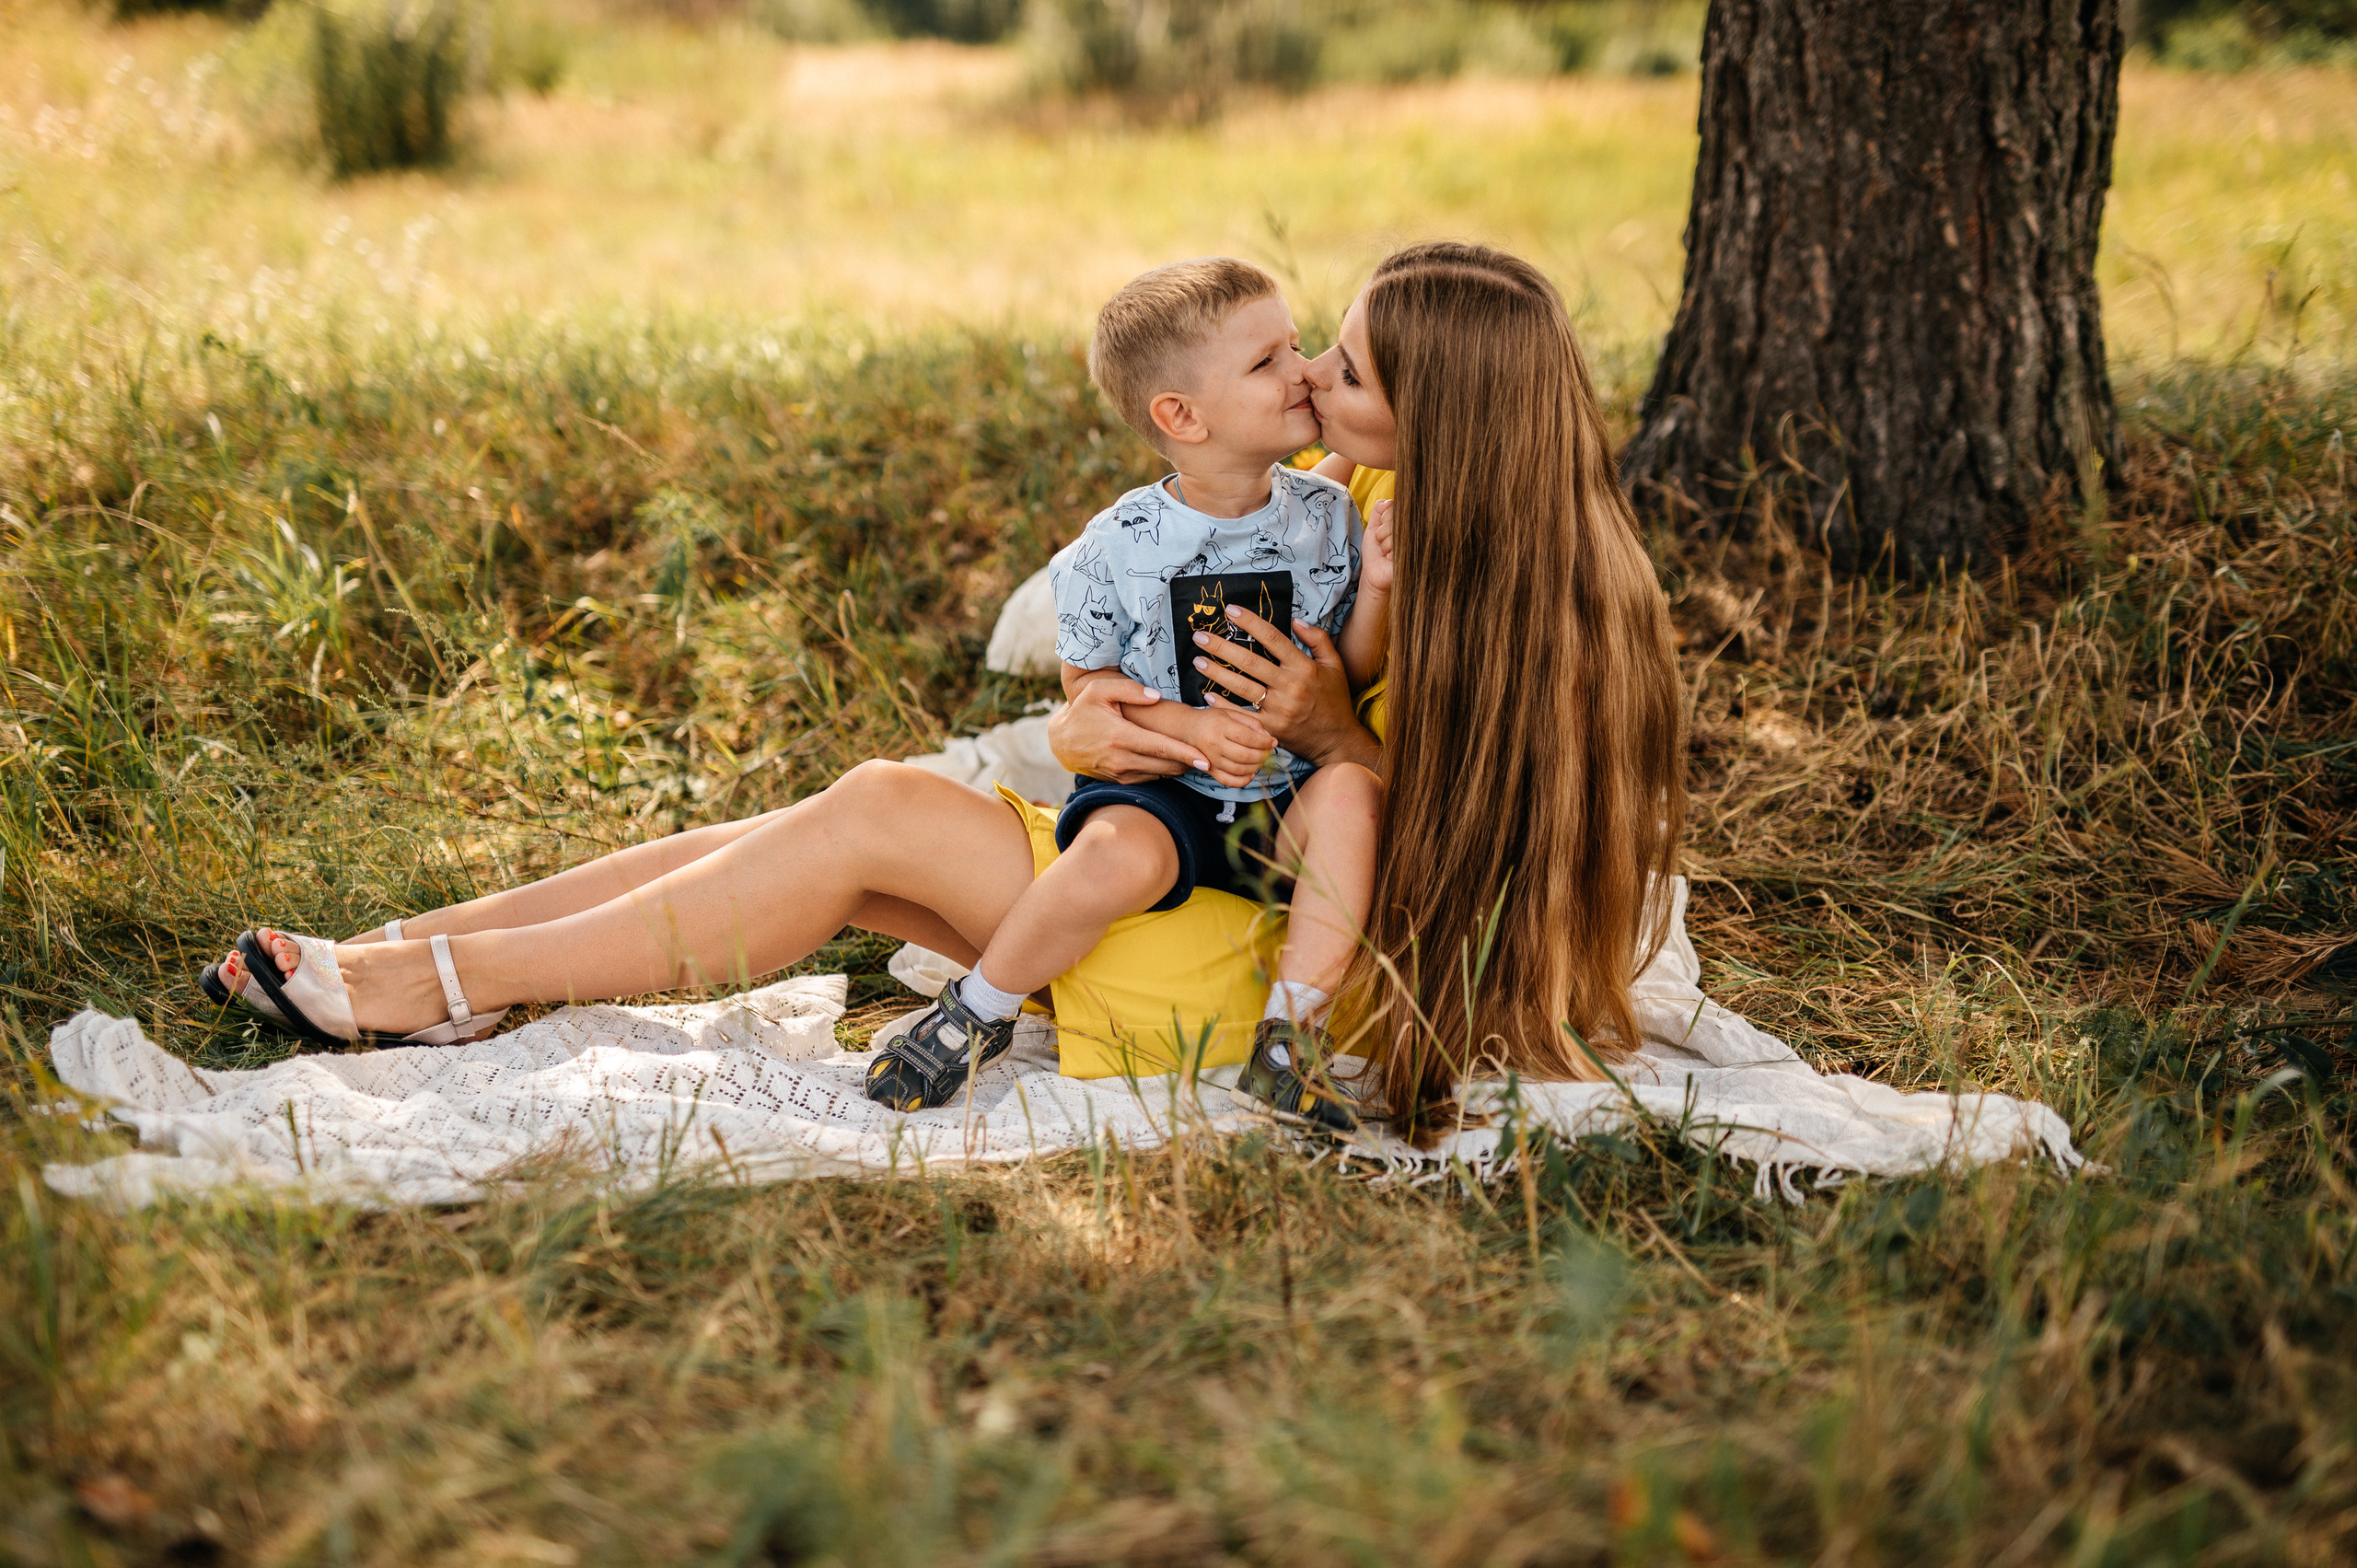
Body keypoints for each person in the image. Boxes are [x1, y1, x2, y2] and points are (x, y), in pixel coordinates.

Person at [208, 240, 1682, 1144]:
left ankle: (431, 987)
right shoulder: (1373, 493)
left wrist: (1322, 727)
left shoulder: (1546, 610)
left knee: (870, 824)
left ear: (1445, 416)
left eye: (1344, 371)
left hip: (1291, 958)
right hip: (1194, 857)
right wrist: (1103, 724)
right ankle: (410, 954)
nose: (1309, 379)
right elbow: (1150, 680)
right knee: (855, 819)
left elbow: (1453, 851)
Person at [863, 258, 1392, 1121]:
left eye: (1297, 344)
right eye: (1267, 362)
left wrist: (1375, 588)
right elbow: (1089, 683)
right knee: (1111, 856)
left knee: (1354, 797)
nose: (1302, 369)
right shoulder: (1118, 542)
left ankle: (1289, 1043)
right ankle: (978, 1010)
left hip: (1283, 795)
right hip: (1163, 791)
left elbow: (1351, 670)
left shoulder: (1327, 518)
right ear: (1181, 416)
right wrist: (1186, 728)